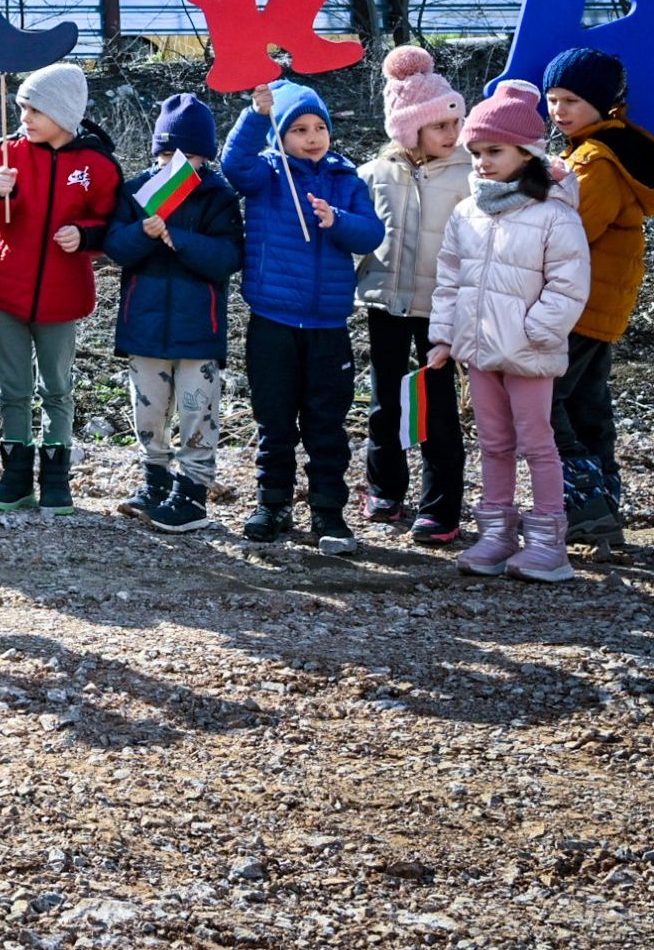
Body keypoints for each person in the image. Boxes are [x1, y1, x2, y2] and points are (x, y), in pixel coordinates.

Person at [430, 81, 590, 582]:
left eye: (494, 151)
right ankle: (497, 534)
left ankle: (548, 544)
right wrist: (445, 336)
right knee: (494, 443)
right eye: (476, 151)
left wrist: (536, 331)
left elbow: (569, 283)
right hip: (479, 351)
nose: (482, 161)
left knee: (537, 443)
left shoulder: (553, 214)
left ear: (527, 151)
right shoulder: (467, 212)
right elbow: (449, 277)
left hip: (529, 352)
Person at [222, 80, 386, 551]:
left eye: (319, 127)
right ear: (280, 135)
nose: (312, 137)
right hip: (272, 322)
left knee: (326, 425)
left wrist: (337, 219)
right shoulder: (267, 173)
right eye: (299, 129)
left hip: (328, 325)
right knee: (274, 422)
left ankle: (328, 512)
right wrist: (256, 116)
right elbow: (234, 164)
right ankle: (271, 504)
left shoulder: (345, 178)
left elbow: (371, 234)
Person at [0, 63, 120, 516]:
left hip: (61, 295)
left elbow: (112, 225)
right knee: (12, 389)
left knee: (57, 387)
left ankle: (56, 479)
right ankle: (15, 478)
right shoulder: (7, 151)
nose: (25, 118)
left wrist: (86, 236)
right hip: (5, 290)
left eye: (35, 110)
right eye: (21, 108)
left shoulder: (97, 165)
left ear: (64, 113)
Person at [102, 94, 245, 534]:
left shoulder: (218, 196)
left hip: (199, 330)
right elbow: (115, 247)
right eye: (166, 156)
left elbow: (228, 257)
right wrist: (143, 233)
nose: (175, 165)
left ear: (205, 157)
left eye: (188, 157)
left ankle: (193, 492)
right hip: (143, 326)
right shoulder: (136, 192)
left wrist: (178, 238)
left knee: (197, 409)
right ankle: (155, 481)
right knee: (147, 410)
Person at [539, 47, 654, 556]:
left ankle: (583, 503)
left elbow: (566, 232)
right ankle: (604, 508)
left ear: (605, 104)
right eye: (552, 99)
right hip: (598, 306)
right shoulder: (612, 149)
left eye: (572, 101)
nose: (558, 111)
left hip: (577, 306)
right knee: (587, 406)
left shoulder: (595, 161)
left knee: (542, 401)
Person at [356, 46, 472, 544]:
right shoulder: (374, 173)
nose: (451, 133)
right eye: (439, 125)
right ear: (409, 129)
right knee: (385, 400)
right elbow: (355, 237)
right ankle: (385, 489)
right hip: (385, 303)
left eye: (455, 122)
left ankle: (440, 508)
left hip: (441, 309)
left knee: (438, 407)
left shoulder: (471, 173)